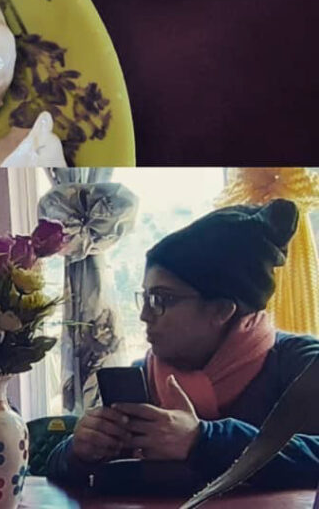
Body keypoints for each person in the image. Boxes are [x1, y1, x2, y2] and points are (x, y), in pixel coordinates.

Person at [46, 199, 319, 492]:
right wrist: (77, 451)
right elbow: (63, 470)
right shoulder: (143, 375)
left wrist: (202, 440)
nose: (144, 315)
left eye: (161, 300)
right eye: (146, 297)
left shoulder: (301, 364)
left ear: (221, 310)